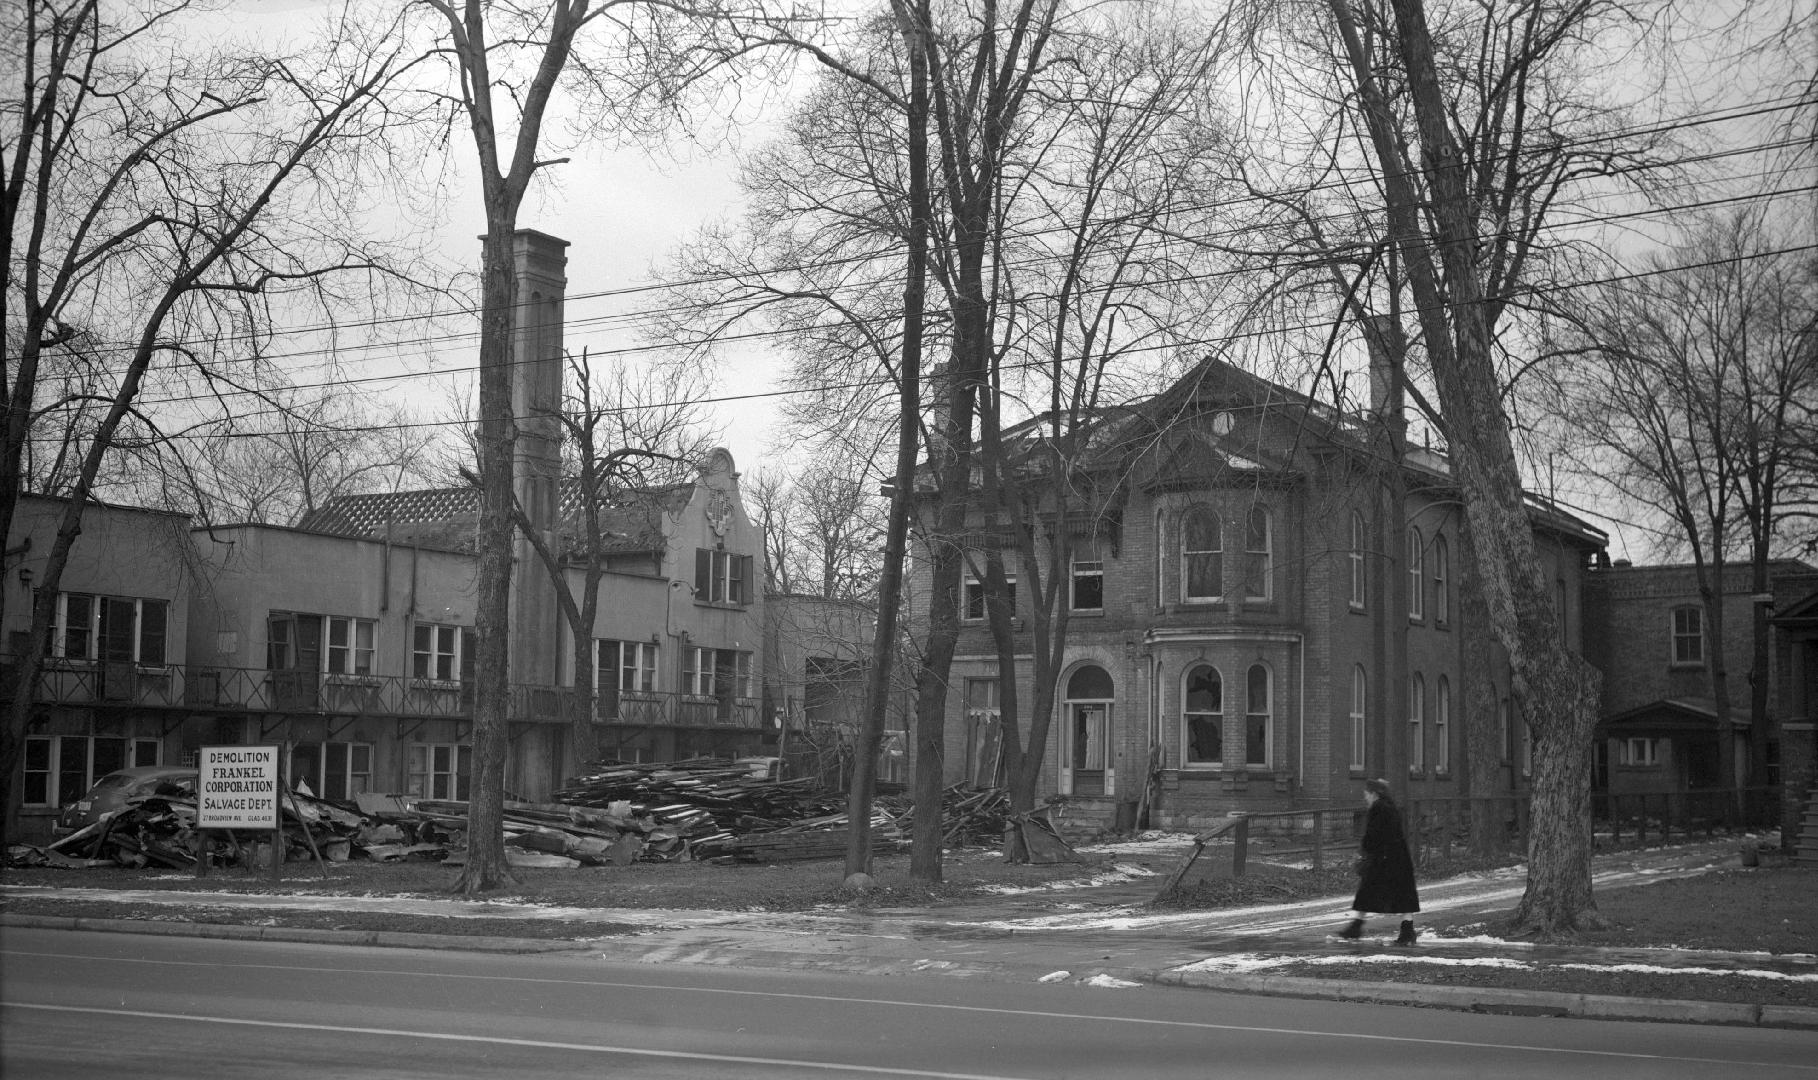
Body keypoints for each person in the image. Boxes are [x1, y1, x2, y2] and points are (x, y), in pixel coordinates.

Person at [1335, 777, 1420, 945]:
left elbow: (1373, 835)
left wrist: (1366, 849)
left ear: (1374, 794)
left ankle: (1356, 927)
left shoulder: (1377, 808)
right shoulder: (1391, 807)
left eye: (1366, 794)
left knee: (1367, 891)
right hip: (1398, 857)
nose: (1365, 797)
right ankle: (1407, 930)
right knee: (1403, 894)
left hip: (1383, 859)